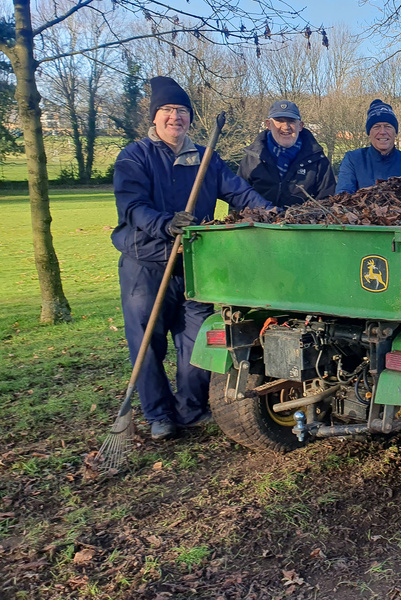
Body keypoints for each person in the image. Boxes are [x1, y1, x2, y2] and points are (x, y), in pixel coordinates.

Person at [112, 76, 274, 440]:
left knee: (197, 341)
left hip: (194, 264)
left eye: (181, 111)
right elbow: (133, 208)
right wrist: (166, 224)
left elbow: (241, 193)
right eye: (167, 110)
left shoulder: (205, 159)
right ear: (154, 117)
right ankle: (158, 415)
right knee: (147, 342)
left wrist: (275, 215)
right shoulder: (134, 157)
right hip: (147, 264)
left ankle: (191, 408)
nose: (175, 117)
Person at [237, 100, 337, 206]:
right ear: (268, 124)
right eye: (279, 121)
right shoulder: (252, 158)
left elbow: (327, 200)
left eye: (291, 121)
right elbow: (239, 197)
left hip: (302, 221)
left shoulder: (318, 160)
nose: (286, 126)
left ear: (300, 126)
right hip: (257, 222)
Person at [335, 99, 401, 194]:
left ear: (395, 133)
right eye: (376, 127)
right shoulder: (353, 159)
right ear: (369, 133)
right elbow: (343, 195)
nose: (383, 132)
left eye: (388, 126)